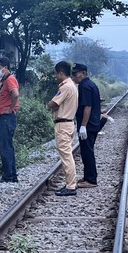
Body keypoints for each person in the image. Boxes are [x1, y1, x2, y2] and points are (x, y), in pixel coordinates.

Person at [47, 61, 78, 196]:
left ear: (60, 73)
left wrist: (50, 104)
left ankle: (71, 186)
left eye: (56, 73)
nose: (55, 76)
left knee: (66, 155)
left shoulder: (65, 87)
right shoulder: (72, 85)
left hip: (63, 124)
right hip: (68, 123)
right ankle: (70, 183)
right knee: (67, 154)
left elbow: (53, 103)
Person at [71, 63, 101, 189]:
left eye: (76, 73)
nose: (74, 76)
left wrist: (83, 126)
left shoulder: (85, 86)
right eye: (73, 74)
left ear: (83, 73)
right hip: (92, 123)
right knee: (86, 151)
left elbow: (87, 107)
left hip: (88, 125)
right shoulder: (89, 84)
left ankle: (91, 179)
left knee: (87, 152)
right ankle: (88, 176)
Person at [0, 57, 20, 183]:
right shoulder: (5, 81)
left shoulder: (10, 80)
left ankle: (9, 176)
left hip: (7, 118)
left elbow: (15, 94)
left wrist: (10, 109)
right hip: (5, 117)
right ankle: (11, 174)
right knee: (7, 146)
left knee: (6, 147)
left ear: (5, 67)